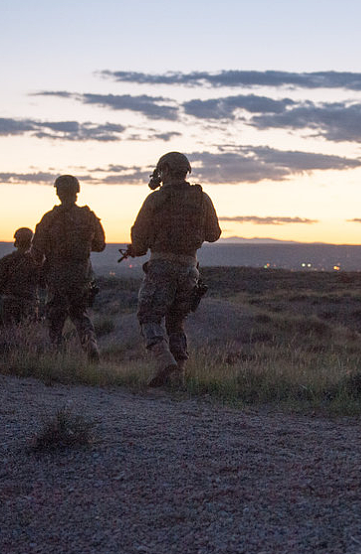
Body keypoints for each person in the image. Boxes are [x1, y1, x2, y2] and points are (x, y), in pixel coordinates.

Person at [123, 152, 221, 387]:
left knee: (148, 316)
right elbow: (213, 234)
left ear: (165, 170)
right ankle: (180, 376)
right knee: (176, 322)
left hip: (161, 267)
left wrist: (135, 250)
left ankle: (164, 359)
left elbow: (139, 238)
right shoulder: (202, 198)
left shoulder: (156, 199)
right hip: (189, 269)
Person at [31, 175, 106, 361]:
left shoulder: (49, 218)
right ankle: (90, 344)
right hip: (83, 272)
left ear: (58, 192)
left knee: (56, 316)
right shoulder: (89, 216)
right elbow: (100, 245)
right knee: (79, 313)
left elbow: (36, 251)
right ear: (77, 192)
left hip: (57, 272)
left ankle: (56, 355)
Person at [0, 227, 43, 330]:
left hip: (9, 304)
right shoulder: (36, 263)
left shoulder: (5, 261)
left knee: (4, 336)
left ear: (16, 241)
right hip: (30, 305)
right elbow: (43, 283)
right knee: (28, 337)